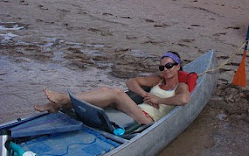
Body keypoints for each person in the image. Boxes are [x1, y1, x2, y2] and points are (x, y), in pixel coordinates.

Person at [34, 51, 191, 125]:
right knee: (104, 90)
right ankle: (59, 104)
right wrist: (144, 94)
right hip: (136, 109)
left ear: (178, 66)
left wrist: (158, 98)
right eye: (162, 67)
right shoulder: (157, 80)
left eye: (169, 66)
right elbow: (131, 83)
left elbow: (183, 99)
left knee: (116, 93)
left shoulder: (180, 86)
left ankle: (64, 99)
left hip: (147, 119)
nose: (165, 70)